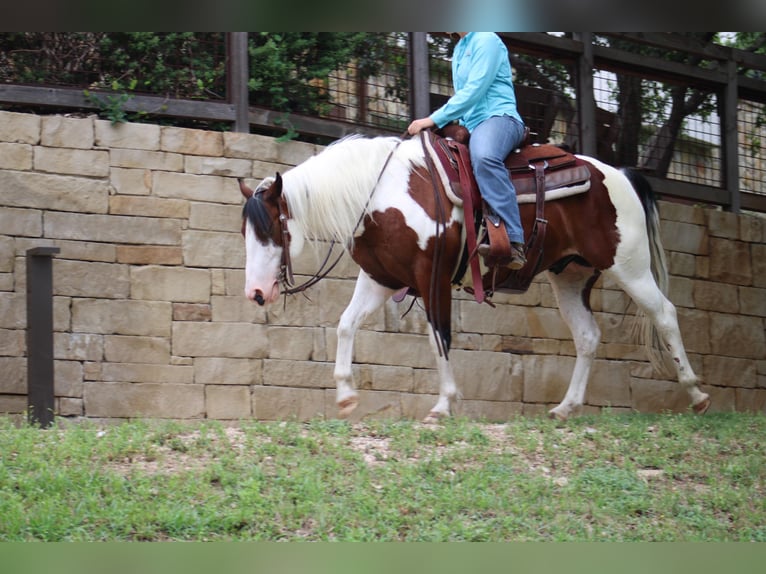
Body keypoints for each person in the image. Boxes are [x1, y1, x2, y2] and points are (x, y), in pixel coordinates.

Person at [407, 32, 527, 270]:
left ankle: (514, 240)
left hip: (498, 118)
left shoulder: (486, 39)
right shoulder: (461, 48)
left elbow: (474, 91)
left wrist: (432, 120)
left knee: (484, 156)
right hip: (472, 125)